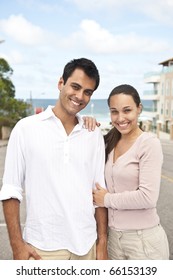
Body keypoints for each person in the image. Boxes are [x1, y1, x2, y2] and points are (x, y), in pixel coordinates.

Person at [0, 58, 108, 260]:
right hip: (42, 248)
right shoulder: (25, 128)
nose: (80, 96)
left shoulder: (93, 133)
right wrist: (17, 246)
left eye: (87, 92)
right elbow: (11, 189)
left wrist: (102, 243)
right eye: (75, 87)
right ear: (61, 83)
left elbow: (99, 192)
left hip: (87, 247)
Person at [92, 84, 169, 260]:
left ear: (139, 109)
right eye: (114, 112)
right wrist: (85, 122)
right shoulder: (108, 142)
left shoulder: (149, 144)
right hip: (114, 241)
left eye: (127, 110)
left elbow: (147, 197)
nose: (120, 118)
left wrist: (107, 199)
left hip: (143, 242)